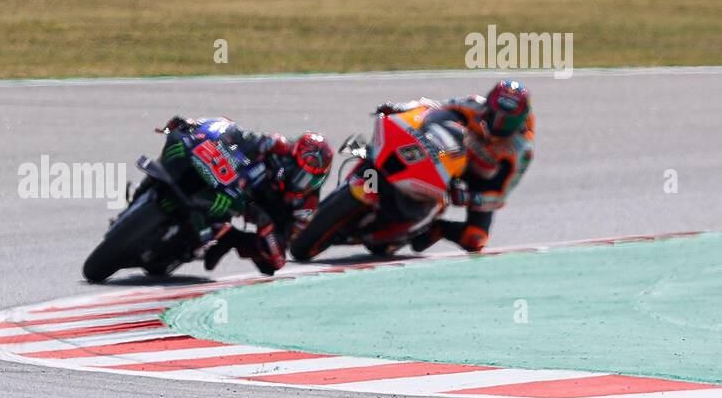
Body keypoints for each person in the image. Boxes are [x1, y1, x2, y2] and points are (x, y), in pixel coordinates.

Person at [157, 117, 334, 275]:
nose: (300, 182)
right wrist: (201, 127)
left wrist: (266, 225)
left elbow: (280, 252)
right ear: (291, 157)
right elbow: (238, 135)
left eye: (309, 180)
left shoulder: (307, 205)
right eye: (299, 174)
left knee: (272, 263)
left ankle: (228, 239)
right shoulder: (277, 144)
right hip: (235, 181)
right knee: (190, 137)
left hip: (261, 211)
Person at [375, 79, 534, 253]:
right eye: (494, 115)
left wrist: (470, 198)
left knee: (475, 239)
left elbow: (500, 196)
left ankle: (437, 228)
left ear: (521, 118)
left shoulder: (522, 151)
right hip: (448, 154)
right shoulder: (474, 104)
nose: (498, 123)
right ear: (489, 104)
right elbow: (432, 107)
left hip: (479, 181)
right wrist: (402, 107)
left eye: (507, 121)